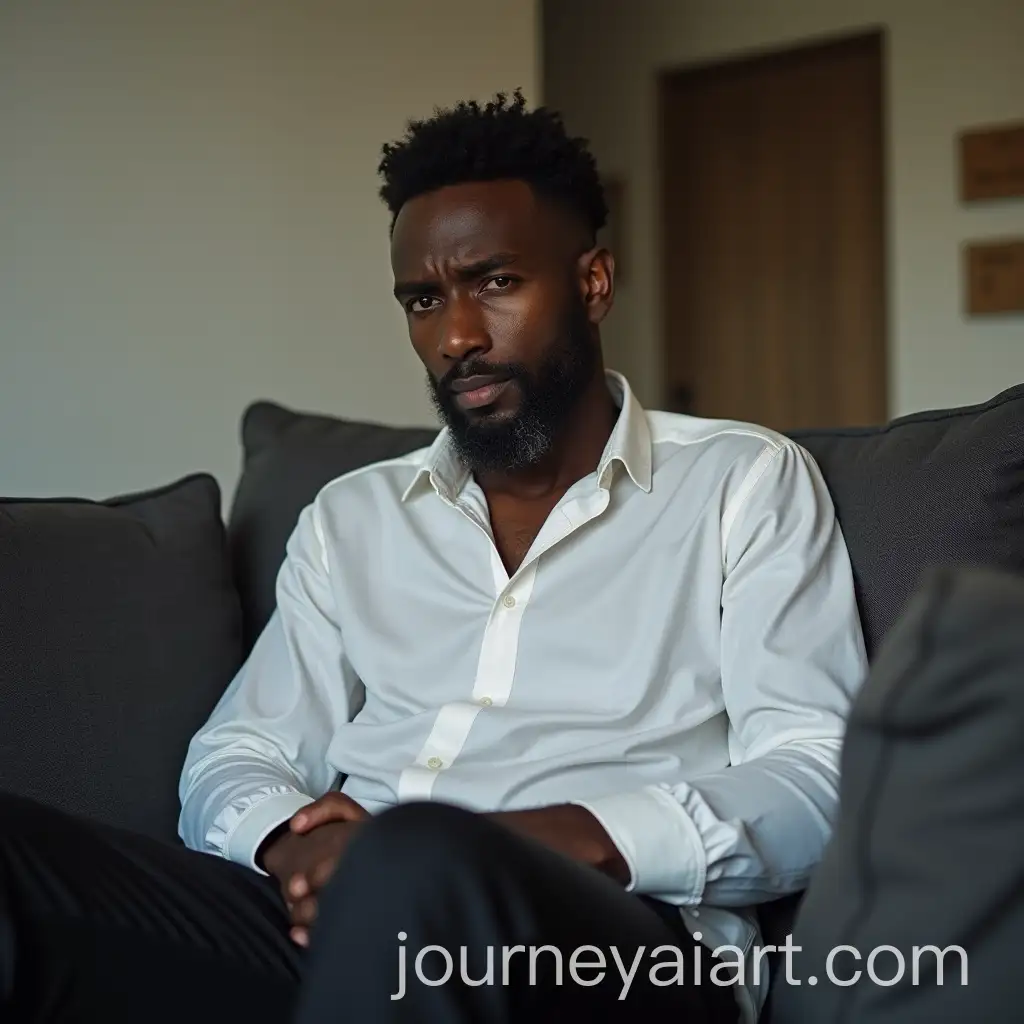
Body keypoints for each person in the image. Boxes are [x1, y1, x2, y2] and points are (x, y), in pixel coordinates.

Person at [0, 90, 868, 1023]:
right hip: (340, 916)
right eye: (424, 300)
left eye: (495, 282)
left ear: (593, 283)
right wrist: (287, 844)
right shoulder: (354, 517)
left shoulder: (744, 483)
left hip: (617, 937)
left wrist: (502, 843)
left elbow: (818, 775)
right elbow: (240, 749)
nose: (455, 337)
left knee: (415, 861)